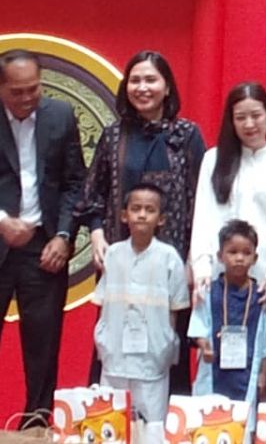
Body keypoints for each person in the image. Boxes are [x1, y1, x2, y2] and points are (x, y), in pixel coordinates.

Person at [0, 49, 86, 436]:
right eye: (18, 91)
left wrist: (64, 236)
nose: (28, 98)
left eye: (34, 89)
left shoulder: (61, 115)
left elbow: (75, 182)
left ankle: (36, 428)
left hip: (43, 248)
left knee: (43, 349)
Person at [76, 50, 205, 393]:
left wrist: (195, 257)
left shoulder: (188, 135)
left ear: (167, 87)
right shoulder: (113, 136)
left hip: (171, 265)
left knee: (168, 345)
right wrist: (97, 233)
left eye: (151, 80)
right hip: (120, 262)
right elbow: (92, 194)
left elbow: (201, 201)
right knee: (112, 342)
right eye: (135, 80)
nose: (142, 87)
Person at [190, 82, 266, 300]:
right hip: (216, 273)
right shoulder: (214, 159)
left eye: (256, 115)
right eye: (240, 117)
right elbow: (202, 217)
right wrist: (200, 267)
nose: (249, 124)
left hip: (265, 279)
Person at [92, 183, 190, 424]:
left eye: (150, 209)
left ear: (162, 219)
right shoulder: (112, 255)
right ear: (124, 215)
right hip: (114, 356)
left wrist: (165, 345)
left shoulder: (169, 258)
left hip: (152, 359)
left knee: (151, 426)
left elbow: (175, 310)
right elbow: (103, 305)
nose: (142, 215)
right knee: (112, 424)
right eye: (136, 208)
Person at [189, 220, 266, 413]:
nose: (239, 258)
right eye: (233, 252)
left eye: (246, 253)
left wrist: (263, 373)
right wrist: (205, 346)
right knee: (211, 419)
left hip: (247, 371)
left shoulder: (261, 295)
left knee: (243, 423)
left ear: (255, 258)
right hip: (214, 368)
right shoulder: (209, 291)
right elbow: (198, 326)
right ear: (220, 256)